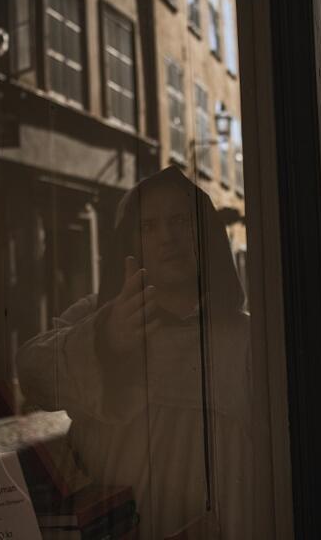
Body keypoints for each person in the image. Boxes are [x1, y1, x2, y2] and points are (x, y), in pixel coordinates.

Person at [17, 167, 254, 540]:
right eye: (149, 227)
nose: (167, 238)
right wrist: (106, 337)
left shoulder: (247, 337)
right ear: (132, 241)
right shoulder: (95, 315)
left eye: (180, 221)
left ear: (204, 233)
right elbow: (32, 372)